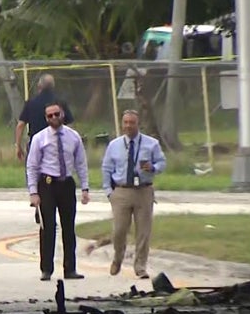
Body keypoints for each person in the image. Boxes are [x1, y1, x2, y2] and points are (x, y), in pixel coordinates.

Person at [26, 103, 90, 281]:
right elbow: (32, 166)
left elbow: (81, 164)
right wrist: (33, 192)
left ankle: (70, 268)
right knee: (47, 227)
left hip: (66, 184)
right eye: (50, 116)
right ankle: (46, 268)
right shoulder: (40, 138)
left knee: (68, 227)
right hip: (47, 184)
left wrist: (85, 187)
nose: (54, 118)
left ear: (62, 115)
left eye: (56, 114)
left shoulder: (73, 137)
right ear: (46, 119)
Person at [101, 109, 166, 279]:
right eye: (126, 123)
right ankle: (117, 257)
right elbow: (107, 168)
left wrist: (153, 167)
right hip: (121, 191)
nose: (128, 126)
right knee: (119, 230)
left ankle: (140, 266)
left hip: (143, 190)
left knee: (143, 231)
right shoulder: (114, 145)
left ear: (138, 124)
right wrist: (109, 191)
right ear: (122, 124)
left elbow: (162, 162)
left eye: (132, 122)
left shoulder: (151, 144)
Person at [15, 74, 75, 161]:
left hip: (36, 145)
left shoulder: (31, 103)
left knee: (34, 172)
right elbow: (70, 125)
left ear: (39, 86)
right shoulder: (60, 103)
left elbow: (20, 125)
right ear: (53, 86)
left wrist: (18, 145)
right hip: (56, 145)